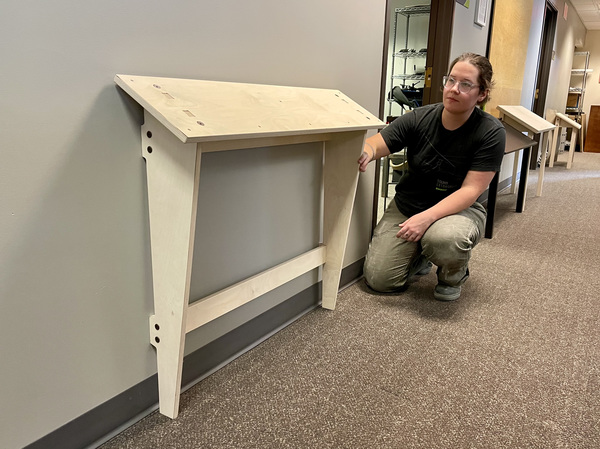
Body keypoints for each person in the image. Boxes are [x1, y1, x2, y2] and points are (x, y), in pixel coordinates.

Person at [358, 52, 506, 301]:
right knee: (380, 280)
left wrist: (426, 219)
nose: (454, 89)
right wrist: (367, 151)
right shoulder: (420, 118)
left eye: (466, 84)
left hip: (459, 211)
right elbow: (378, 142)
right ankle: (421, 253)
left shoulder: (490, 132)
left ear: (482, 94)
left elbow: (471, 190)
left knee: (444, 239)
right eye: (451, 80)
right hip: (409, 205)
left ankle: (453, 275)